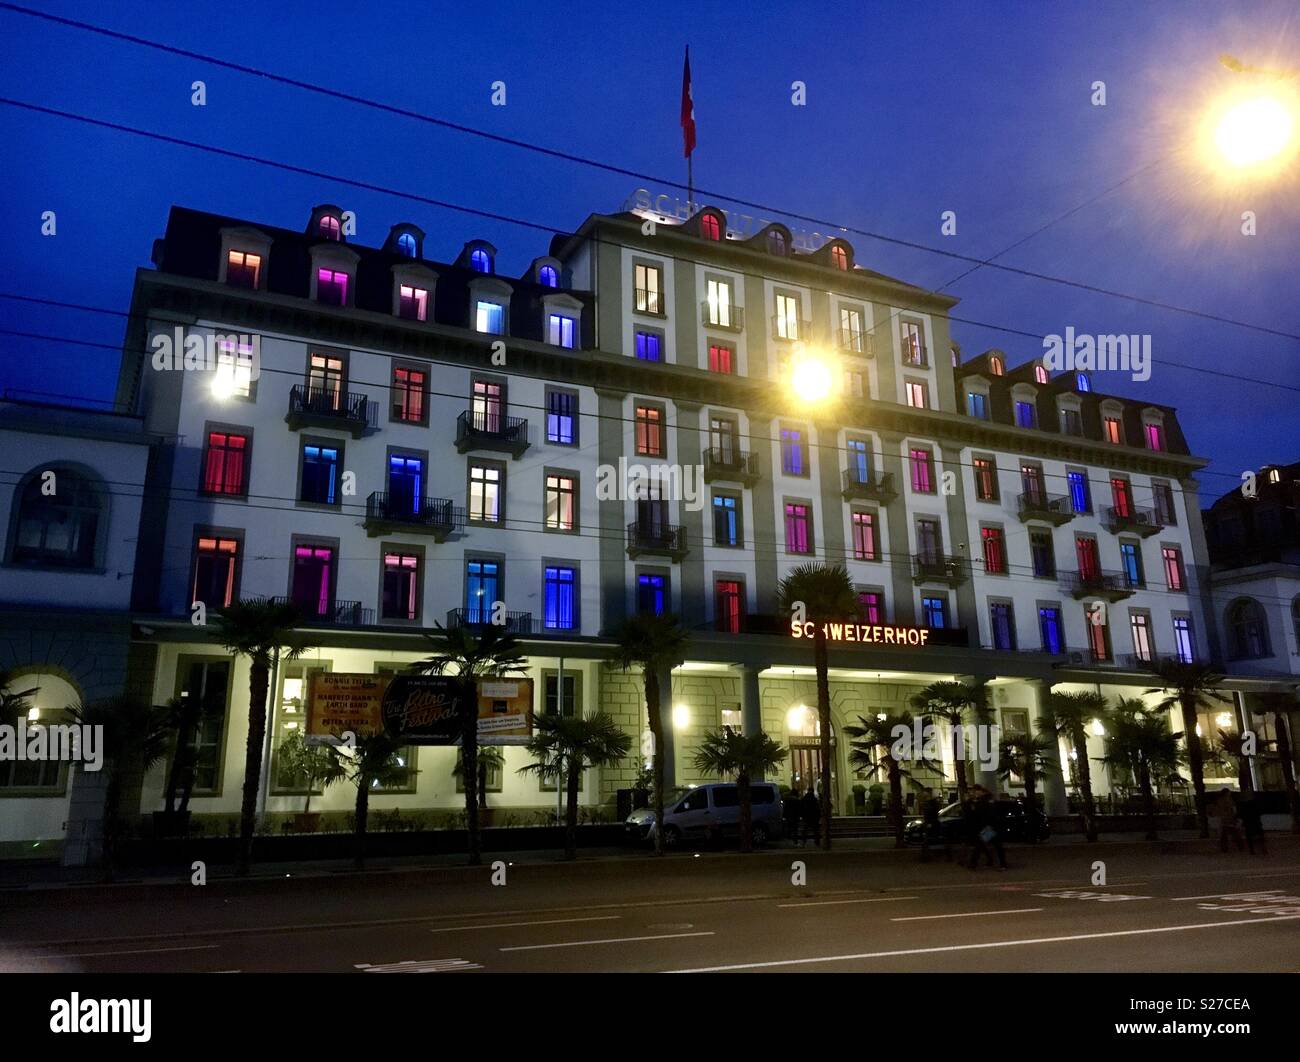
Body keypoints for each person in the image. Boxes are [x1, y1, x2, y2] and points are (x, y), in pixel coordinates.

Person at [967, 787, 1007, 870]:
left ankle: (974, 863)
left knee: (981, 845)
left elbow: (982, 815)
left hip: (989, 827)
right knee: (993, 846)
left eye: (977, 791)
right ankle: (998, 863)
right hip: (991, 827)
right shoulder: (988, 801)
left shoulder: (983, 802)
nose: (975, 793)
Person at [919, 787, 949, 862]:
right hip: (929, 823)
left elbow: (933, 814)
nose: (923, 794)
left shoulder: (932, 803)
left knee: (931, 840)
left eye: (925, 792)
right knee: (930, 840)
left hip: (932, 824)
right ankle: (927, 856)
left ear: (928, 793)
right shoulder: (927, 802)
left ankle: (926, 857)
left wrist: (930, 823)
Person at [1215, 788, 1244, 852]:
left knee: (1224, 834)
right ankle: (1240, 846)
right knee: (1235, 832)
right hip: (1229, 818)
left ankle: (1225, 848)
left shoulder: (1220, 800)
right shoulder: (1229, 800)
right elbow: (1233, 809)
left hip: (1224, 819)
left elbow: (1219, 810)